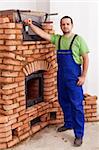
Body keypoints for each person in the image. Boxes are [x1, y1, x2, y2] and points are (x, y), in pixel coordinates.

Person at [24, 16, 89, 147]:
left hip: (74, 78)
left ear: (72, 25)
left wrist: (83, 76)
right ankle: (68, 123)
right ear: (60, 26)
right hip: (62, 77)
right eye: (63, 24)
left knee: (76, 106)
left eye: (67, 24)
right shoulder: (58, 39)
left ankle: (79, 135)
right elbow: (42, 34)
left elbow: (86, 58)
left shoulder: (78, 40)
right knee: (63, 101)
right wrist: (31, 25)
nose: (65, 26)